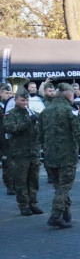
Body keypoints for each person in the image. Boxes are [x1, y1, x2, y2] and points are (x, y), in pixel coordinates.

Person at [39, 83, 80, 229]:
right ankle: (55, 215)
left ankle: (66, 214)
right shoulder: (71, 111)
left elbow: (40, 136)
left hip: (50, 155)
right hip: (67, 155)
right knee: (64, 187)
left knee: (59, 187)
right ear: (69, 95)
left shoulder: (45, 111)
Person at [3, 87, 44, 216]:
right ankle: (23, 205)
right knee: (21, 180)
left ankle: (33, 203)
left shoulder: (31, 112)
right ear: (15, 100)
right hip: (19, 153)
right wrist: (27, 121)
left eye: (27, 100)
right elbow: (12, 128)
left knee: (33, 179)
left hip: (33, 151)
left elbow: (40, 128)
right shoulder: (10, 114)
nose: (25, 103)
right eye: (22, 100)